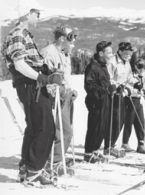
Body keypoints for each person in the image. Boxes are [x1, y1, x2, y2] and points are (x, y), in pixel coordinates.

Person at [2, 7, 63, 185]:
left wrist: (50, 72)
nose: (39, 17)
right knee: (45, 128)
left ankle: (26, 168)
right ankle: (34, 171)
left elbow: (31, 62)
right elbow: (20, 65)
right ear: (27, 14)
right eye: (37, 14)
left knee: (34, 128)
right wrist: (42, 78)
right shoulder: (18, 35)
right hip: (31, 86)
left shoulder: (25, 34)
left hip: (34, 84)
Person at [40, 24, 78, 176]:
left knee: (65, 131)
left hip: (64, 96)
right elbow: (45, 79)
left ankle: (58, 158)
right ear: (62, 38)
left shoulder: (63, 53)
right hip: (53, 98)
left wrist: (69, 90)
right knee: (63, 131)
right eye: (71, 38)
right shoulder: (49, 52)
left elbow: (63, 77)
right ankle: (54, 161)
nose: (73, 41)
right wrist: (59, 90)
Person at [83, 41, 115, 163]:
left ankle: (96, 150)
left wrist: (113, 89)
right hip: (95, 101)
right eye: (109, 52)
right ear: (101, 53)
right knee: (94, 127)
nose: (111, 54)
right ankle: (88, 153)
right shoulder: (93, 66)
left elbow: (105, 83)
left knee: (102, 126)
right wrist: (105, 89)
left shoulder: (103, 66)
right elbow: (89, 86)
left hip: (104, 100)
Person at [105, 42, 136, 158]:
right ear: (120, 51)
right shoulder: (113, 61)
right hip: (112, 94)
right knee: (114, 120)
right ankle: (108, 146)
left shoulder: (127, 62)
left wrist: (136, 84)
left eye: (130, 53)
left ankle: (112, 144)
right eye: (126, 53)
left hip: (121, 94)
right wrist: (116, 86)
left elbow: (129, 77)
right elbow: (108, 77)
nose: (128, 55)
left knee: (121, 120)